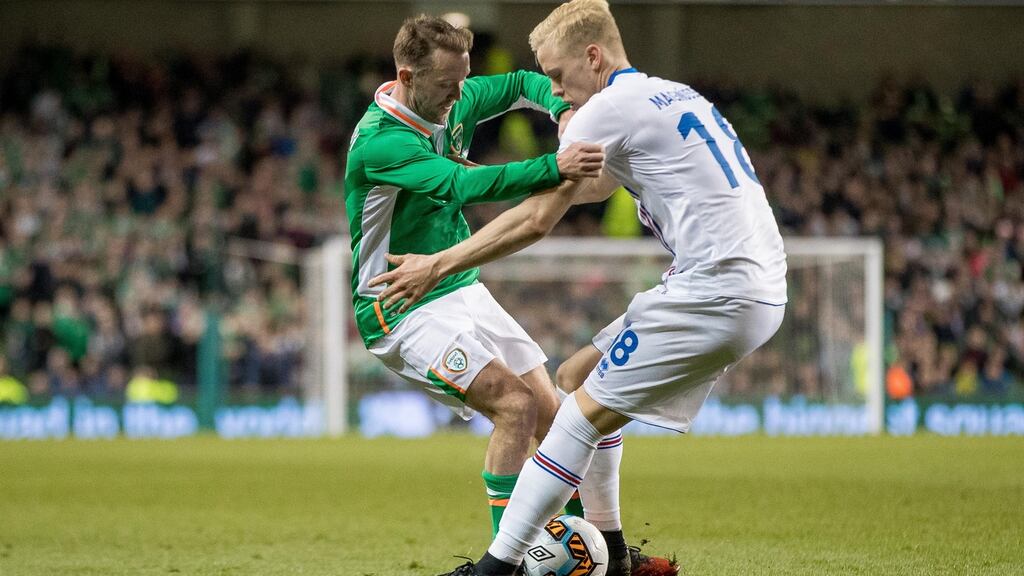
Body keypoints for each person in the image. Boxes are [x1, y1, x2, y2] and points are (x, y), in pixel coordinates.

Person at [370, 3, 787, 575]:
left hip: (714, 291)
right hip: (750, 282)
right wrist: (565, 158)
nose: (556, 93)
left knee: (575, 421)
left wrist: (439, 263)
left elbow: (534, 221)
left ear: (593, 58)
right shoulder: (675, 94)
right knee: (576, 378)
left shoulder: (604, 109)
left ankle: (497, 567)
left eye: (560, 78)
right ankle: (614, 556)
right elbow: (588, 189)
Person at [344, 14, 605, 538]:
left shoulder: (450, 97)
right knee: (514, 404)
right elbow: (463, 184)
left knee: (556, 419)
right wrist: (559, 165)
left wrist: (563, 112)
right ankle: (503, 561)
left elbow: (518, 85)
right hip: (399, 305)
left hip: (457, 285)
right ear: (407, 76)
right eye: (447, 85)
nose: (458, 95)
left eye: (463, 81)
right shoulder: (382, 143)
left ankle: (583, 551)